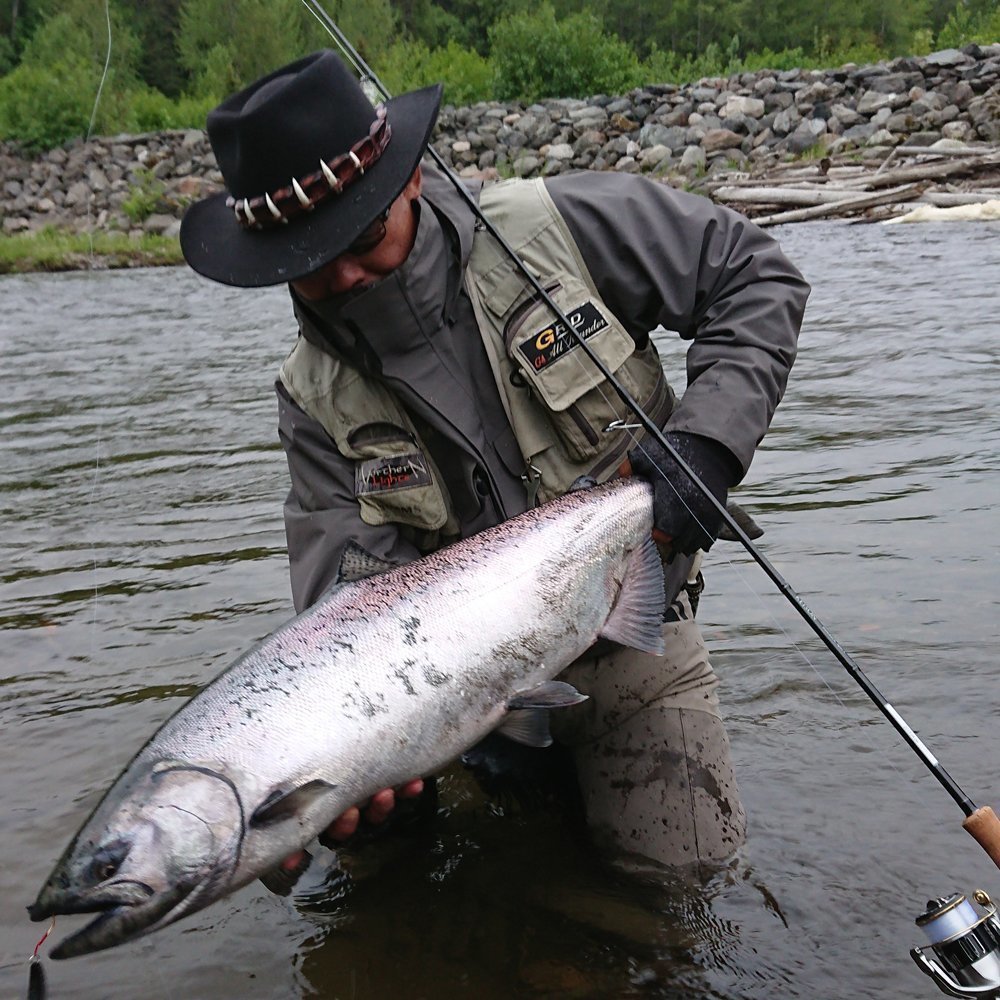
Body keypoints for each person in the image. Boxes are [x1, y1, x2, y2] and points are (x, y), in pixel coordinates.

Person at [180, 50, 810, 877]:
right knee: (388, 884)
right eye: (307, 261)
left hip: (636, 645)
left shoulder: (557, 228)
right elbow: (346, 598)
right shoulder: (311, 403)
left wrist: (708, 444)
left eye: (362, 234)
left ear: (406, 182)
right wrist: (343, 773)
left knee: (684, 897)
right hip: (456, 710)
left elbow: (755, 274)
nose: (342, 273)